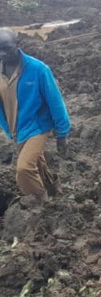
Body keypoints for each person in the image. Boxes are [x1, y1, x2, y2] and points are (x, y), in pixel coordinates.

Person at [0, 28, 70, 204]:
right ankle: (55, 191)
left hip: (38, 127)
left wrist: (62, 134)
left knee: (24, 169)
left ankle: (41, 202)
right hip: (16, 128)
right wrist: (7, 128)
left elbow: (55, 101)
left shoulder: (38, 69)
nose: (2, 53)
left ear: (18, 45)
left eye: (6, 48)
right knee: (37, 163)